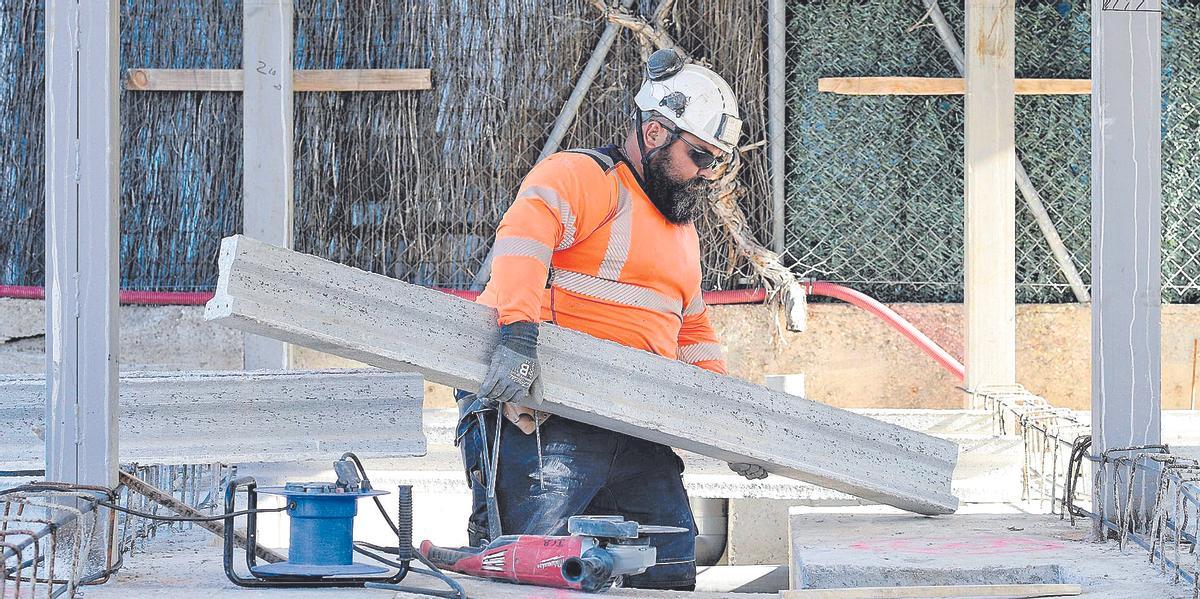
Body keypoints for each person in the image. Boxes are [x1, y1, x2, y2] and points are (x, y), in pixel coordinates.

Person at [454, 48, 766, 591]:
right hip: (551, 419)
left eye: (715, 161)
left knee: (666, 569)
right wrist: (518, 335)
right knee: (536, 573)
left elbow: (691, 335)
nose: (706, 173)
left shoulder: (681, 233)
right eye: (698, 156)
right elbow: (524, 236)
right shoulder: (584, 176)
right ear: (653, 134)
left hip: (639, 427)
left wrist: (726, 428)